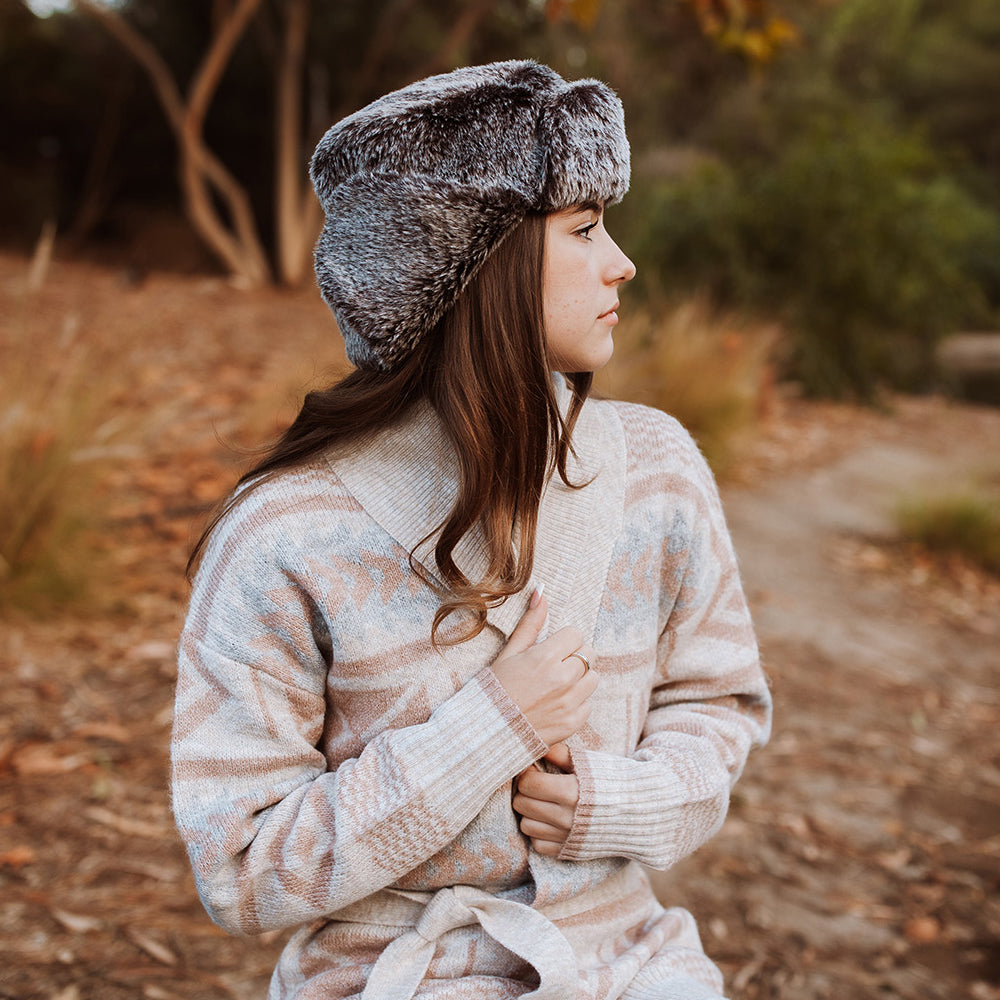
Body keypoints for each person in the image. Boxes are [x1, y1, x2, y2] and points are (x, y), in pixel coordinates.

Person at [171, 59, 771, 1000]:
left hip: (629, 958)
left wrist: (621, 804)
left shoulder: (659, 469)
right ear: (480, 264)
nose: (622, 263)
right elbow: (240, 868)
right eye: (584, 229)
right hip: (390, 974)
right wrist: (487, 731)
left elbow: (718, 701)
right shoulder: (287, 534)